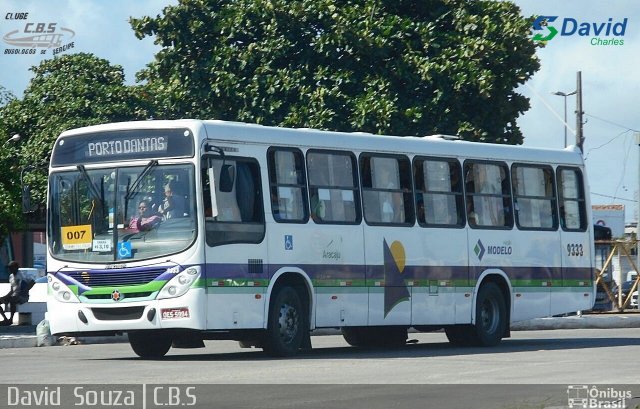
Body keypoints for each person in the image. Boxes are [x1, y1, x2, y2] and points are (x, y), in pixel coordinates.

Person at [0, 261, 29, 326]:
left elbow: (32, 282)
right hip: (14, 295)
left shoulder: (22, 275)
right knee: (3, 299)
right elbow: (12, 290)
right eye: (9, 268)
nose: (10, 269)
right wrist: (4, 297)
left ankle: (11, 319)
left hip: (22, 296)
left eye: (11, 268)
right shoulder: (11, 276)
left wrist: (25, 291)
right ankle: (5, 319)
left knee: (12, 300)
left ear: (16, 268)